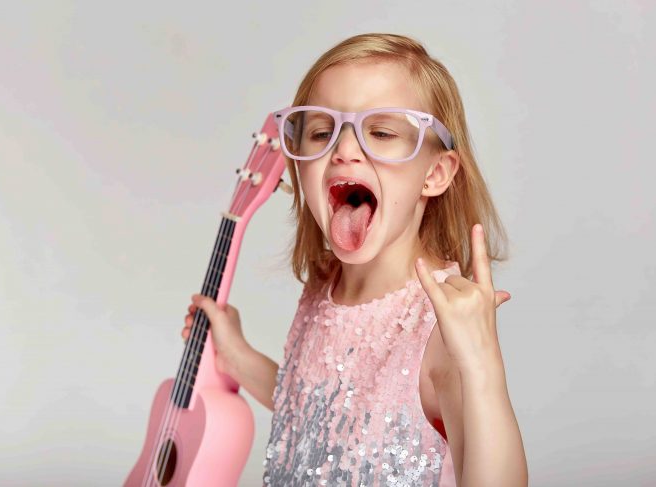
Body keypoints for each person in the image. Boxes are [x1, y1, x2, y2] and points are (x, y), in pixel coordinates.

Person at [182, 33, 527, 486]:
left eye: (382, 132)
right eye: (322, 132)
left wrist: (482, 365)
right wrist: (237, 356)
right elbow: (317, 416)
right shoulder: (322, 289)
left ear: (435, 173)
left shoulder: (442, 326)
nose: (344, 150)